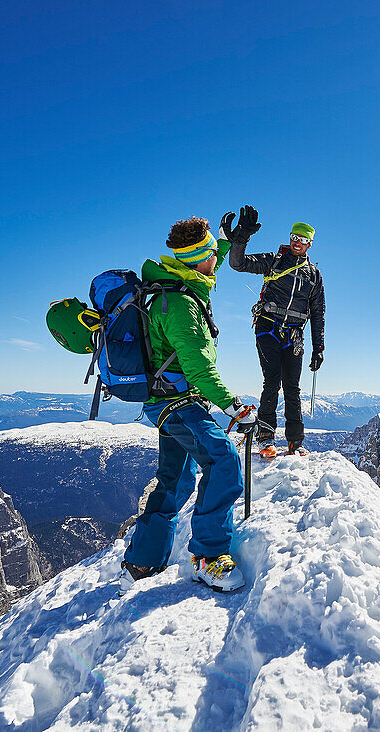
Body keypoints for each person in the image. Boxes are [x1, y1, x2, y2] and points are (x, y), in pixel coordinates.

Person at [120, 215, 256, 592]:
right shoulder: (181, 304)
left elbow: (207, 268)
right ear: (200, 257)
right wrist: (233, 406)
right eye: (214, 252)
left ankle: (142, 561)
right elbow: (197, 367)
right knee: (223, 459)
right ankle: (209, 557)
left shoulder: (177, 284)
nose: (218, 258)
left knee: (175, 478)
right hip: (177, 401)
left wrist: (228, 240)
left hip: (162, 398)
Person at [225, 206, 325, 457]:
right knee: (272, 381)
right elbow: (238, 264)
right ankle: (266, 438)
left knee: (292, 386)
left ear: (310, 244)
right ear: (290, 238)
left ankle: (295, 442)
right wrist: (242, 238)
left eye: (303, 240)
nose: (297, 243)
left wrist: (319, 347)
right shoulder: (274, 260)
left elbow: (318, 313)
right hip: (268, 326)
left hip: (294, 334)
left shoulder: (313, 275)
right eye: (294, 237)